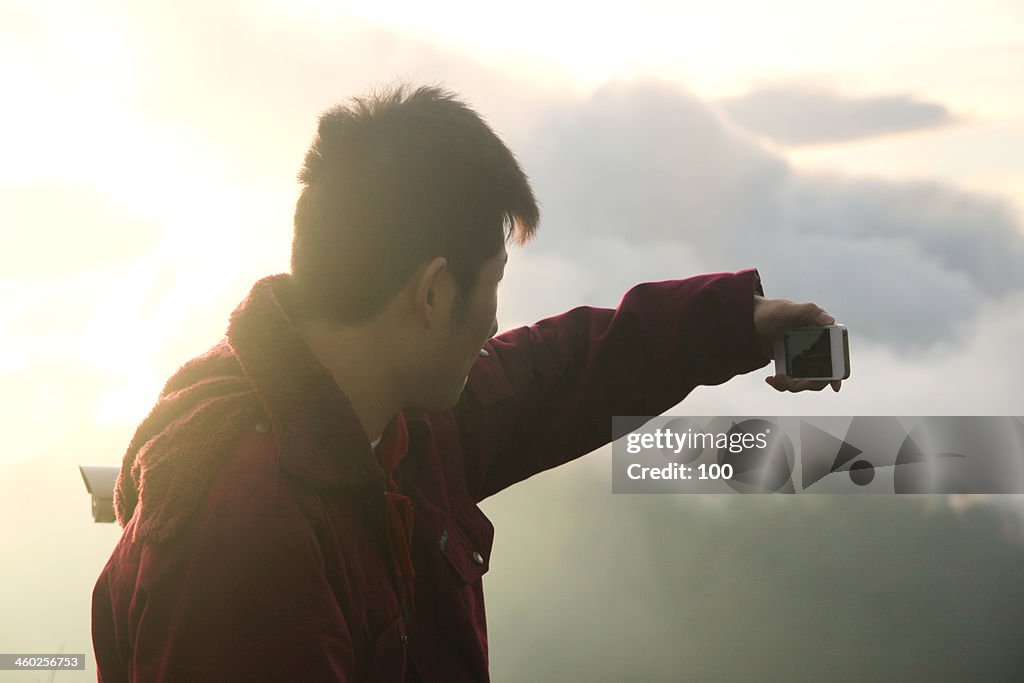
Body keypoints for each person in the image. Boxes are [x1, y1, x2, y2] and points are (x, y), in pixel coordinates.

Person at [90, 83, 841, 682]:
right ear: (432, 293)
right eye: (493, 286)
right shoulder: (250, 542)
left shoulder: (384, 421)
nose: (492, 324)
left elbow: (559, 371)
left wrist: (737, 322)